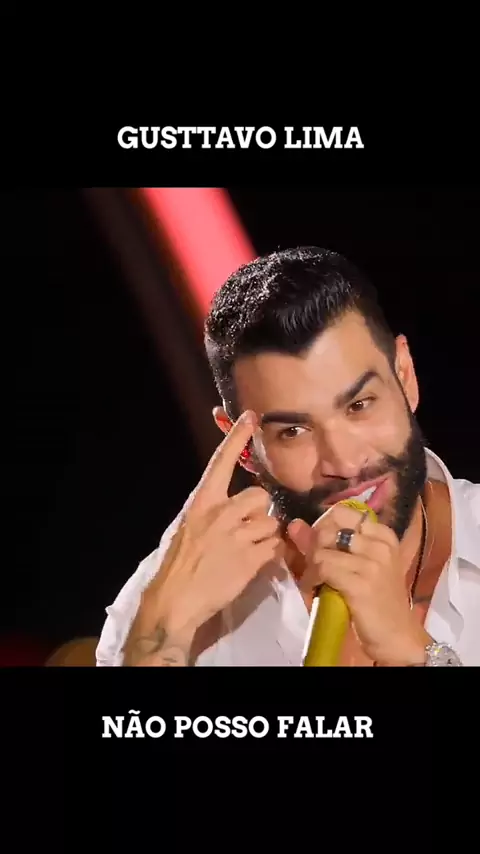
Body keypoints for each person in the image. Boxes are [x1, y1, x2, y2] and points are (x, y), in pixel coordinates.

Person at [96, 247, 480, 667]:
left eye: (359, 405)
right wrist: (159, 634)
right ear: (244, 446)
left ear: (404, 376)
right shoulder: (164, 602)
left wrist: (414, 652)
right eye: (293, 432)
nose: (345, 464)